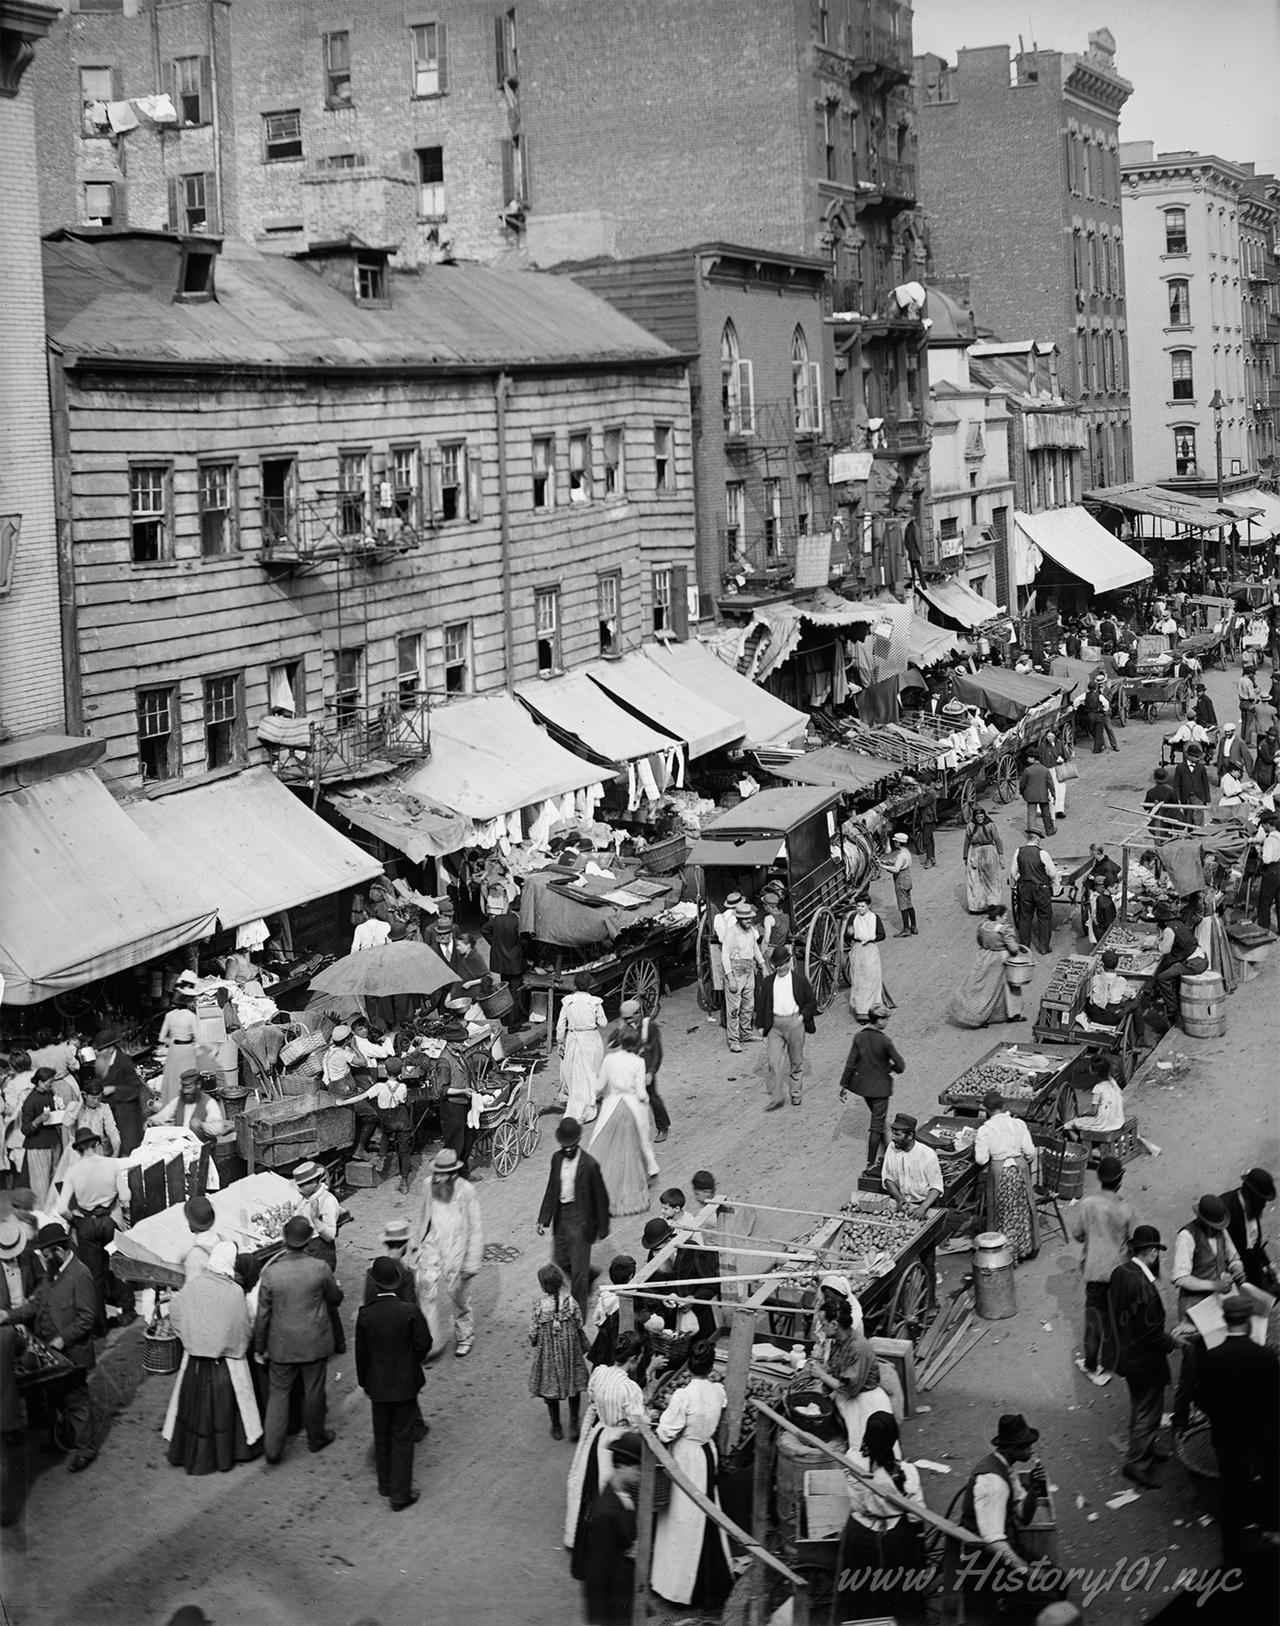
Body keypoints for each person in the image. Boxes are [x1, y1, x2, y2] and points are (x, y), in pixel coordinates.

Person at [4, 1221, 99, 1471]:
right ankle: (61, 1441)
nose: (44, 1260)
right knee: (55, 1398)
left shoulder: (81, 1274)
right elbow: (36, 1304)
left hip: (73, 1353)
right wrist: (8, 1316)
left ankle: (86, 1449)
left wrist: (62, 1338)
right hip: (52, 1352)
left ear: (59, 1250)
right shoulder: (52, 1272)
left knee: (76, 1401)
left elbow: (87, 1317)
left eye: (47, 1255)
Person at [163, 1241, 263, 1475]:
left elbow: (175, 1309)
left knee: (192, 1412)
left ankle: (192, 1456)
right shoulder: (235, 1292)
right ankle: (228, 1456)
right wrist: (235, 1347)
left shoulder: (195, 1283)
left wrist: (189, 1337)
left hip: (195, 1364)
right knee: (227, 1413)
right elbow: (243, 1328)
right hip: (224, 1365)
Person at [1195, 1292, 1280, 1563]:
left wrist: (1221, 1416)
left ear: (1225, 1319)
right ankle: (1271, 1528)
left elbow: (1202, 1398)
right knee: (1270, 1479)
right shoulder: (1266, 1356)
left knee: (1232, 1488)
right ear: (1249, 1320)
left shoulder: (1213, 1357)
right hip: (1262, 1432)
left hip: (1228, 1434)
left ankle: (1234, 1551)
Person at [253, 1214, 343, 1463]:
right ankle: (316, 1438)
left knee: (279, 1393)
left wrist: (260, 1346)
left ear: (285, 1239)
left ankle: (272, 1449)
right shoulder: (319, 1268)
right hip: (314, 1340)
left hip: (281, 1344)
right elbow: (335, 1298)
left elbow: (262, 1315)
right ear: (307, 1240)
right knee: (314, 1390)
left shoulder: (270, 1273)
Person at [651, 1340, 733, 1609]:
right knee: (705, 1513)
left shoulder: (683, 1396)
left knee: (681, 1518)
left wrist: (658, 1423)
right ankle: (709, 1579)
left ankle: (676, 1586)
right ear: (711, 1367)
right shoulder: (718, 1391)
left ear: (690, 1364)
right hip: (707, 1454)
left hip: (687, 1456)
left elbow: (666, 1431)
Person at [355, 1256, 432, 1512]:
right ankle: (400, 1495)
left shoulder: (366, 1315)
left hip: (377, 1385)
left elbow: (361, 1354)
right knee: (402, 1437)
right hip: (404, 1384)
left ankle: (386, 1483)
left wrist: (365, 1382)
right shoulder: (408, 1311)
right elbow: (424, 1343)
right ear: (396, 1283)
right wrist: (411, 1362)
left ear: (375, 1284)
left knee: (382, 1433)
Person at [836, 1412, 928, 1620]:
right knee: (902, 1594)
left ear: (867, 1435)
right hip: (895, 1538)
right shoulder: (906, 1473)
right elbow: (916, 1516)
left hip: (859, 1534)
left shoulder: (851, 1460)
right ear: (893, 1439)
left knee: (861, 1593)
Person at [1108, 1224, 1181, 1488]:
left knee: (1142, 1405)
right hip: (1143, 1360)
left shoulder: (1120, 1272)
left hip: (1126, 1354)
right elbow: (1151, 1334)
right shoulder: (1144, 1286)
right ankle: (1137, 1464)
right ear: (1151, 1252)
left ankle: (1146, 1448)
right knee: (1148, 1411)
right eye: (1157, 1252)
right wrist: (1174, 1340)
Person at [565, 1327, 645, 1567]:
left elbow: (591, 1399)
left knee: (589, 1484)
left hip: (599, 1434)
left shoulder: (599, 1373)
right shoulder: (629, 1388)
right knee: (610, 1488)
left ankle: (583, 1533)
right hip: (618, 1438)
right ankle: (609, 1540)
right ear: (634, 1359)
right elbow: (638, 1422)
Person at [1170, 1194, 1244, 1437]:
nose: (1217, 1230)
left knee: (1216, 1359)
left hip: (1218, 1304)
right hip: (1193, 1308)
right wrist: (1213, 1286)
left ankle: (1206, 1408)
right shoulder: (1187, 1236)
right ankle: (1180, 1419)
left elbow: (1233, 1256)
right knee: (1191, 1364)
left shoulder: (1221, 1232)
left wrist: (1236, 1268)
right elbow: (1180, 1277)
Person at [52, 1128, 134, 1333]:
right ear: (96, 1145)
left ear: (79, 1150)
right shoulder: (110, 1164)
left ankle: (99, 1323)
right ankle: (127, 1311)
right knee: (119, 1265)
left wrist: (76, 1219)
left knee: (94, 1274)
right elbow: (125, 1196)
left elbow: (62, 1209)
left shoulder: (73, 1172)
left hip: (86, 1224)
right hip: (109, 1221)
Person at [408, 1147, 483, 1359]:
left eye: (442, 1174)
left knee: (459, 1296)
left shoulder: (466, 1191)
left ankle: (465, 1336)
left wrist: (471, 1262)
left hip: (456, 1248)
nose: (437, 1178)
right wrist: (416, 1243)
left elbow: (476, 1228)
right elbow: (422, 1215)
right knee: (425, 1290)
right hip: (432, 1244)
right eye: (436, 1173)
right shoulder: (427, 1185)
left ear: (453, 1174)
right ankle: (429, 1341)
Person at [958, 1413, 1048, 1583]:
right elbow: (994, 1542)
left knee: (1057, 1577)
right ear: (1011, 1449)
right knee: (1049, 1588)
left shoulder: (1008, 1470)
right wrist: (1028, 1572)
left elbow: (1024, 1517)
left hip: (1006, 1545)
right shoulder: (994, 1482)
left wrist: (1034, 1489)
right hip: (984, 1561)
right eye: (1026, 1446)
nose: (1031, 1450)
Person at [1067, 1155, 1132, 1386]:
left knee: (1094, 1321)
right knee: (1115, 1317)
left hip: (1095, 1273)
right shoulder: (1126, 1209)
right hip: (1119, 1273)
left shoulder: (1088, 1204)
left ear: (1099, 1179)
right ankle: (1117, 1359)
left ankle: (1093, 1366)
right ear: (1120, 1180)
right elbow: (1131, 1242)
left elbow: (1077, 1234)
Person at [537, 1118, 611, 1319]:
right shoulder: (556, 1159)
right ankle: (588, 1277)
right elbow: (552, 1188)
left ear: (578, 1141)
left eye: (571, 1145)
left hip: (582, 1220)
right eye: (564, 1145)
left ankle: (578, 1316)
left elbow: (601, 1198)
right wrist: (544, 1219)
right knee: (560, 1259)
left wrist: (602, 1228)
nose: (567, 1149)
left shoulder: (589, 1165)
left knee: (578, 1272)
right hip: (562, 1217)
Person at [588, 1031, 660, 1218]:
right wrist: (644, 1101)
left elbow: (599, 1085)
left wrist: (598, 1094)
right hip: (633, 1102)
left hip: (612, 1102)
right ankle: (651, 1169)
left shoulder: (609, 1059)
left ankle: (597, 1178)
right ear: (636, 1045)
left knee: (600, 1136)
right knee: (643, 1138)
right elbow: (642, 1092)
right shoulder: (638, 1062)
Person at [581, 1430, 642, 1626]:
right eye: (637, 1468)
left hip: (624, 1588)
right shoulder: (605, 1513)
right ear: (622, 1467)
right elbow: (598, 1567)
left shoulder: (622, 1493)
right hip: (613, 1594)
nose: (640, 1474)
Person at [839, 1006, 905, 1174]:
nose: (887, 1022)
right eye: (886, 1019)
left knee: (880, 1121)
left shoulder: (859, 1037)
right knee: (877, 1126)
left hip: (865, 1089)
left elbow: (850, 1063)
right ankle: (871, 1164)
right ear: (880, 1020)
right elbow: (900, 1065)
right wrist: (889, 1068)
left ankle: (888, 1152)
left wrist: (844, 1085)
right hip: (881, 1090)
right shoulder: (885, 1041)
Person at [974, 1091, 1038, 1262]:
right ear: (1004, 1107)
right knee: (1020, 1210)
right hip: (1019, 1171)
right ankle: (1023, 1248)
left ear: (987, 1110)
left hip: (1000, 1173)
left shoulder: (985, 1130)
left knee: (1003, 1213)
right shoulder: (1018, 1124)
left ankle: (1007, 1255)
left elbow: (981, 1159)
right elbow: (1030, 1151)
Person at [529, 1262, 589, 1441]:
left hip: (549, 1354)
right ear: (561, 1282)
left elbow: (533, 1331)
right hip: (570, 1351)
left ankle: (556, 1425)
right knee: (574, 1385)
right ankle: (573, 1422)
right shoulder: (570, 1302)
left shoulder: (539, 1305)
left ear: (542, 1286)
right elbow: (579, 1322)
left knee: (550, 1387)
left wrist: (535, 1341)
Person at [759, 942, 817, 1110]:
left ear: (789, 962)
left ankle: (796, 1094)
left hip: (794, 1024)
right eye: (777, 965)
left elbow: (811, 1002)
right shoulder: (768, 982)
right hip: (775, 1026)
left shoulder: (799, 980)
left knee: (796, 1061)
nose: (780, 968)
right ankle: (777, 1097)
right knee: (773, 1061)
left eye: (783, 964)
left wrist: (801, 1017)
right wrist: (761, 1024)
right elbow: (763, 1004)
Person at [947, 903, 1026, 1028]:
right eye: (1004, 915)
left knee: (983, 988)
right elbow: (1014, 948)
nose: (1006, 917)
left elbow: (979, 940)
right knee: (1010, 987)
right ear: (998, 917)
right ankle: (1013, 1014)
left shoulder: (983, 926)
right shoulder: (1004, 930)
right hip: (1001, 960)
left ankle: (980, 1014)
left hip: (984, 958)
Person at [348, 1061, 414, 1194]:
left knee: (386, 1133)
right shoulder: (403, 1086)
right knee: (405, 1151)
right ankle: (404, 1183)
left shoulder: (378, 1086)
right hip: (402, 1121)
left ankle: (381, 1158)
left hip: (387, 1121)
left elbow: (362, 1097)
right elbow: (405, 1101)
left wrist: (343, 1102)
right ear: (400, 1073)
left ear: (386, 1072)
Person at [555, 974, 607, 1124]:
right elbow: (603, 1023)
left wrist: (560, 1042)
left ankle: (575, 1106)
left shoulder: (568, 1002)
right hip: (591, 1039)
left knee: (575, 1074)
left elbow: (560, 1026)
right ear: (590, 986)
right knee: (590, 1072)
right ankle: (588, 1110)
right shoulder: (594, 1002)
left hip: (573, 1038)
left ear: (575, 986)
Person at [619, 999, 670, 1147]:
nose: (627, 1021)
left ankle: (663, 1126)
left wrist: (651, 1072)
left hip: (645, 1069)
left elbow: (657, 1052)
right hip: (630, 1069)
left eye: (629, 1018)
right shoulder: (625, 1028)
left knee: (652, 1098)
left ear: (637, 1014)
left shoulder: (649, 1027)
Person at [1219, 1167, 1277, 1293]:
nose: (1264, 1205)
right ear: (1251, 1195)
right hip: (1232, 1274)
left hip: (1252, 1268)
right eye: (1262, 1200)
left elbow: (1254, 1242)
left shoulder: (1253, 1207)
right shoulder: (1225, 1207)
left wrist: (1268, 1264)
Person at [720, 900, 765, 1052]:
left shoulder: (751, 930)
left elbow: (756, 949)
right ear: (739, 918)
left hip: (748, 969)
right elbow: (725, 956)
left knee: (748, 1004)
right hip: (735, 970)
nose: (749, 921)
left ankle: (745, 1033)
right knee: (734, 1008)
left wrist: (762, 965)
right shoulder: (731, 933)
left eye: (750, 918)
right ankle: (733, 1040)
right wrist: (730, 977)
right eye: (746, 919)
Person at [881, 1113, 943, 1221]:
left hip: (924, 1204)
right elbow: (887, 1177)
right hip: (901, 1201)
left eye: (897, 1134)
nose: (892, 1138)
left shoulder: (927, 1154)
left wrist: (922, 1208)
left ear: (910, 1136)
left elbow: (936, 1187)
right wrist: (899, 1198)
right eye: (892, 1133)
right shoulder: (891, 1148)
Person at [148, 1071, 229, 1144]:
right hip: (183, 1145)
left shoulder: (209, 1103)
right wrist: (152, 1120)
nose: (185, 1091)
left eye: (189, 1088)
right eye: (184, 1087)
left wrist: (202, 1125)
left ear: (198, 1085)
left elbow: (218, 1128)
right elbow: (164, 1114)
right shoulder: (178, 1101)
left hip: (203, 1148)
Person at [19, 1068, 62, 1206]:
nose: (51, 1085)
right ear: (40, 1082)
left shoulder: (49, 1094)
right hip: (38, 1146)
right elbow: (25, 1129)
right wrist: (38, 1120)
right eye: (49, 1082)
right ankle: (42, 1213)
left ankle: (54, 1210)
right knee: (41, 1185)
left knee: (55, 1179)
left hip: (53, 1142)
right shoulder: (30, 1101)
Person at [157, 976, 202, 1107]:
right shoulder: (191, 1017)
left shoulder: (169, 1016)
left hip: (174, 1051)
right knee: (188, 1080)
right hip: (187, 1051)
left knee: (173, 1081)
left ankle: (172, 1109)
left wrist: (173, 1042)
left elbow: (161, 1038)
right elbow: (199, 1039)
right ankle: (186, 1107)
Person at [290, 1160, 341, 1274]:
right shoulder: (305, 1197)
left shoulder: (328, 1201)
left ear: (313, 1183)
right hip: (306, 1248)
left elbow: (330, 1236)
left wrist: (315, 1219)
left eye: (302, 1185)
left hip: (320, 1250)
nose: (299, 1189)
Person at [1010, 833, 1057, 955]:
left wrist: (1017, 882)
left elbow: (1013, 871)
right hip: (1041, 889)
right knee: (1044, 917)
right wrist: (1053, 882)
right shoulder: (1042, 853)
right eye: (1040, 839)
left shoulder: (1018, 851)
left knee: (1025, 917)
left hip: (1024, 888)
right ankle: (1044, 947)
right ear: (1037, 839)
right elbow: (1052, 873)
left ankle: (1024, 946)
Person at [1063, 1056, 1126, 1139]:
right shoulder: (1113, 1082)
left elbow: (1093, 1111)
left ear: (1094, 1072)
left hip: (1103, 1124)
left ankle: (1080, 1144)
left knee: (1068, 1125)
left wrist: (1083, 1114)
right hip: (1118, 1121)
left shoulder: (1098, 1088)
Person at [845, 897, 888, 1020]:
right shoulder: (853, 918)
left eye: (862, 906)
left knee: (871, 978)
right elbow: (847, 937)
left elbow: (882, 935)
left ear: (868, 906)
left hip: (870, 950)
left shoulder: (874, 918)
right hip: (857, 950)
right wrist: (850, 933)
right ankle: (861, 1011)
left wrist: (870, 938)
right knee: (858, 980)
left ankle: (873, 1009)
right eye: (858, 906)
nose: (860, 909)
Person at [962, 808, 1005, 913]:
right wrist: (965, 857)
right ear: (975, 817)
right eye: (978, 817)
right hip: (975, 852)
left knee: (991, 879)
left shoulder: (990, 825)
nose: (980, 819)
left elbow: (997, 839)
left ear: (984, 816)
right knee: (975, 880)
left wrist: (1001, 856)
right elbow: (967, 841)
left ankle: (993, 904)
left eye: (981, 817)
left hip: (989, 851)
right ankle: (977, 906)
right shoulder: (971, 826)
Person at [1085, 950, 1138, 1026]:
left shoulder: (1096, 978)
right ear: (1116, 965)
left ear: (1103, 965)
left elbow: (1089, 994)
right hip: (1112, 1018)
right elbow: (1132, 995)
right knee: (1135, 1002)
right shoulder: (1121, 981)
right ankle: (1140, 1034)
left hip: (1095, 1016)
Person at [880, 833, 917, 936]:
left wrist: (883, 867)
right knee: (909, 903)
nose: (894, 842)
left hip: (900, 879)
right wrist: (884, 861)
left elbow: (896, 869)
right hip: (907, 878)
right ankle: (913, 926)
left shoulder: (901, 855)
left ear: (898, 842)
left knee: (902, 905)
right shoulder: (906, 852)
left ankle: (906, 929)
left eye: (895, 841)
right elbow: (894, 861)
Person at [1170, 745, 1211, 828]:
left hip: (1198, 796)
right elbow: (1176, 784)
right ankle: (1191, 835)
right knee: (1188, 819)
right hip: (1185, 797)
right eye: (1196, 757)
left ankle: (1199, 834)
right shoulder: (1180, 767)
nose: (1198, 759)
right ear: (1189, 756)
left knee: (1198, 818)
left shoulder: (1201, 767)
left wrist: (1206, 798)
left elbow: (1205, 783)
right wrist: (1177, 798)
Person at [1019, 755, 1056, 837]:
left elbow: (1022, 784)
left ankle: (1032, 834)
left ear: (1033, 758)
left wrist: (1022, 792)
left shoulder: (1027, 770)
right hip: (1043, 795)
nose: (1027, 759)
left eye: (1029, 757)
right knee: (1046, 814)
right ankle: (1050, 831)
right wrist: (1053, 795)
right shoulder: (1045, 770)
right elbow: (1050, 784)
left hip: (1031, 797)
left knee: (1031, 815)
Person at [1254, 814, 1280, 933]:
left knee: (1265, 901)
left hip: (1272, 871)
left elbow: (1267, 860)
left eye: (1263, 826)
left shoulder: (1269, 840)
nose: (1263, 828)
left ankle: (1263, 929)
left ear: (1267, 825)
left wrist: (1259, 854)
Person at [1143, 768, 1181, 843]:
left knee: (1157, 838)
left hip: (1154, 821)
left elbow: (1145, 807)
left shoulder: (1151, 792)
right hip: (1167, 819)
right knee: (1167, 838)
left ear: (1155, 778)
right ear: (1166, 778)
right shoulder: (1171, 791)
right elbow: (1176, 805)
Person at [1238, 662, 1260, 744]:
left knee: (1244, 722)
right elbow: (1251, 696)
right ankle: (1247, 741)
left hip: (1242, 702)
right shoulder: (1249, 682)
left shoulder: (1240, 679)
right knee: (1249, 723)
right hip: (1249, 703)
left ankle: (1242, 738)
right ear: (1250, 673)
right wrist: (1256, 692)